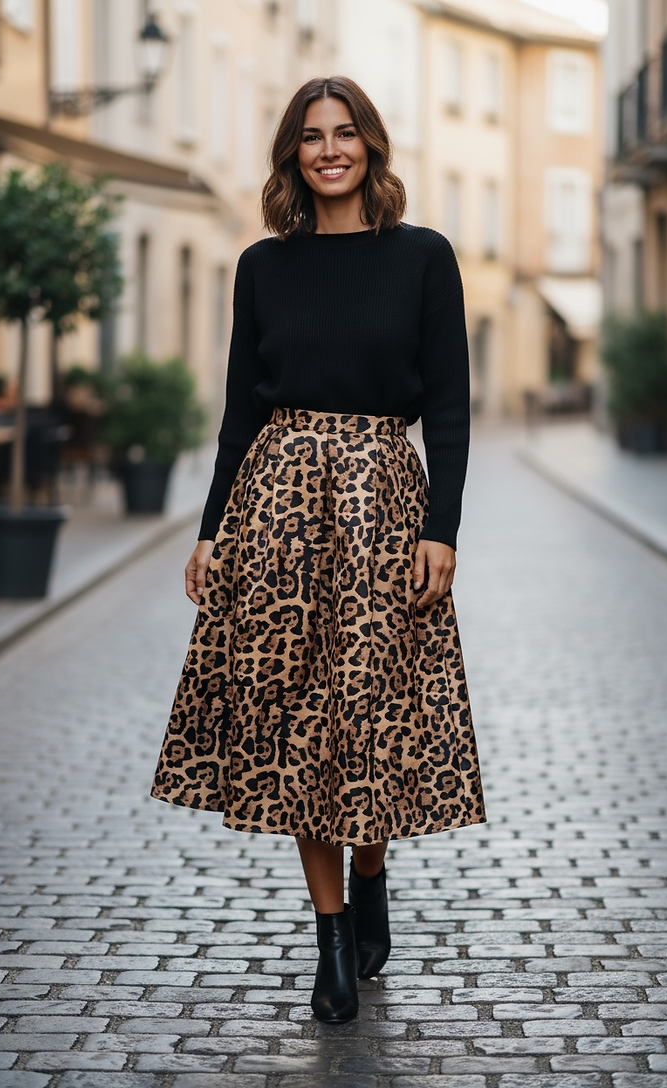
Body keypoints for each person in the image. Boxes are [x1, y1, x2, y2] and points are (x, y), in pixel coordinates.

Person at [151, 75, 486, 1024]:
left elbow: (450, 408)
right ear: (291, 155)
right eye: (311, 136)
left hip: (385, 503)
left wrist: (442, 529)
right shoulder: (263, 266)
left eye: (344, 133)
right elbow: (239, 413)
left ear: (370, 144)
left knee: (371, 716)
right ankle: (331, 936)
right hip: (278, 510)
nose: (329, 150)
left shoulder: (424, 257)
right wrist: (211, 531)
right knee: (299, 721)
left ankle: (370, 872)